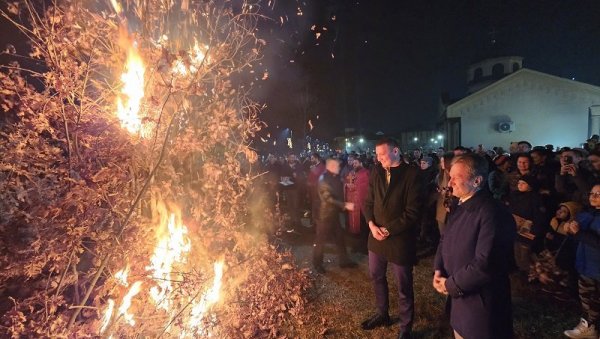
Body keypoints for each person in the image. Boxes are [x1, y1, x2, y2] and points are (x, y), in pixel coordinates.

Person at [433, 153, 516, 339]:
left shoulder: (492, 213)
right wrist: (439, 269)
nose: (450, 182)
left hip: (481, 304)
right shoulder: (461, 205)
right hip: (460, 297)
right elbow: (445, 238)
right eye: (450, 176)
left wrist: (451, 284)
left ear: (477, 180)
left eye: (456, 178)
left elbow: (486, 263)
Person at [361, 138, 422, 339]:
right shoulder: (377, 171)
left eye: (382, 154)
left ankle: (405, 328)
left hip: (400, 240)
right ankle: (382, 313)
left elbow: (412, 211)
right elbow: (368, 201)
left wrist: (387, 230)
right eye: (376, 155)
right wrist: (371, 224)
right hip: (375, 236)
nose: (378, 159)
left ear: (396, 151)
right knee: (377, 276)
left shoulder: (412, 174)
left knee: (403, 286)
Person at [564, 184, 600, 338]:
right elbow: (577, 236)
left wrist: (578, 233)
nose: (593, 196)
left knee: (597, 300)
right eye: (592, 193)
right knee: (586, 298)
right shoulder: (586, 214)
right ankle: (588, 327)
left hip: (598, 267)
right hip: (585, 265)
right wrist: (569, 229)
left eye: (599, 194)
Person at [312, 158, 356, 274]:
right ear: (331, 167)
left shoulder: (335, 177)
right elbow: (327, 198)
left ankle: (344, 261)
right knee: (321, 240)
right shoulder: (323, 179)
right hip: (324, 215)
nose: (339, 168)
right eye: (337, 166)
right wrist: (344, 205)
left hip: (334, 213)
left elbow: (338, 191)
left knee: (340, 238)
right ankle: (317, 264)